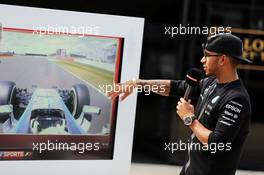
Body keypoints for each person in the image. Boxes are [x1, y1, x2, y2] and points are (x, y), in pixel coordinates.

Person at [107, 33, 252, 175]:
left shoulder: (236, 99)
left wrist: (189, 118)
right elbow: (175, 87)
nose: (202, 60)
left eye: (207, 55)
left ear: (222, 60)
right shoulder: (211, 83)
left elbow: (216, 142)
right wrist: (137, 83)